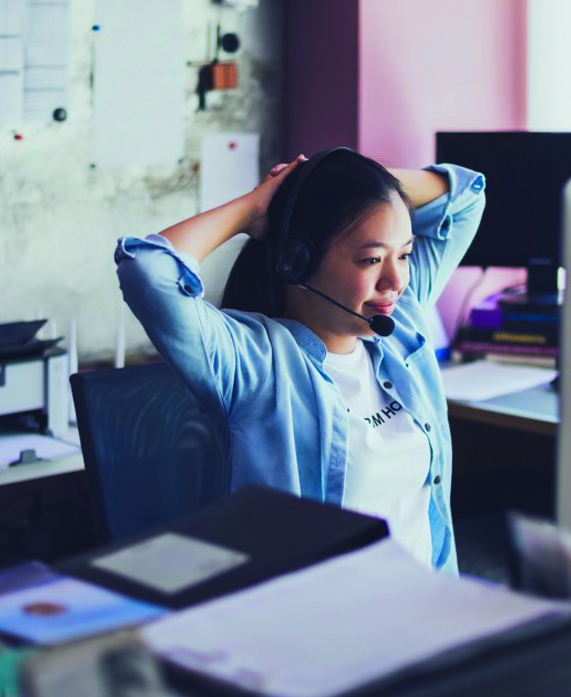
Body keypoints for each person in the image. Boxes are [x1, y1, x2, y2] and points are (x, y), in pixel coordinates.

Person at [115, 148, 485, 572]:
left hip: (428, 613)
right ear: (297, 261)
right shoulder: (254, 363)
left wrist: (345, 177)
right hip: (322, 624)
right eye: (371, 259)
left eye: (403, 255)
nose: (397, 281)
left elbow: (465, 196)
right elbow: (147, 269)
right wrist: (254, 206)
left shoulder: (401, 327)